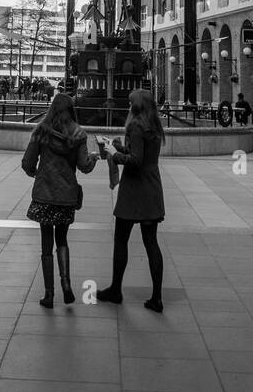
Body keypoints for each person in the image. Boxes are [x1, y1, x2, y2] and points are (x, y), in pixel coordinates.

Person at [21, 93, 96, 307]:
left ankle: (49, 294)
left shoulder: (42, 131)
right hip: (66, 195)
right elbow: (84, 166)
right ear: (71, 110)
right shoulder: (78, 134)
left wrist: (36, 172)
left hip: (45, 194)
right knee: (62, 240)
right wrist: (94, 159)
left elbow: (27, 162)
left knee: (46, 243)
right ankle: (66, 284)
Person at [98, 89, 166, 313]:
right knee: (151, 243)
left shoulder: (136, 125)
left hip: (135, 190)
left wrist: (112, 152)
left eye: (130, 102)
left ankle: (116, 290)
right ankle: (157, 297)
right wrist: (120, 147)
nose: (127, 106)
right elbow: (142, 154)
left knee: (121, 240)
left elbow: (135, 161)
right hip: (152, 188)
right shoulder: (154, 126)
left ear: (137, 105)